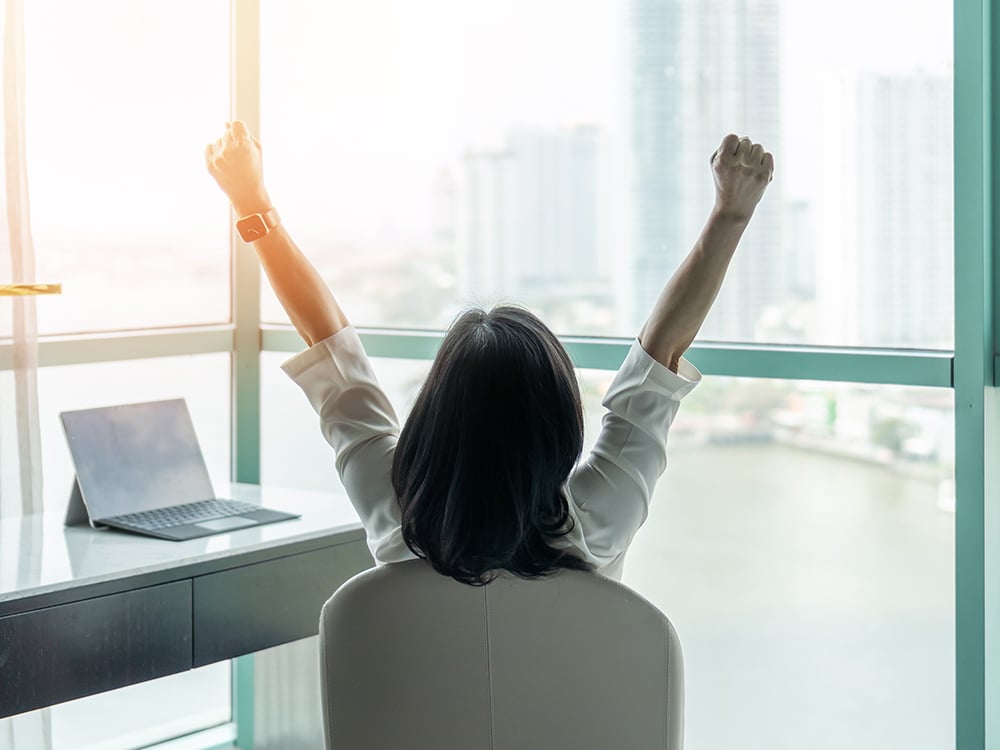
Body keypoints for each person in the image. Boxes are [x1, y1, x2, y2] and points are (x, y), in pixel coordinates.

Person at [205, 122, 773, 585]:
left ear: (434, 413)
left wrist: (251, 200)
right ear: (557, 426)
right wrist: (730, 215)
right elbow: (658, 358)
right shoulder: (600, 519)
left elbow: (327, 343)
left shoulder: (393, 506)